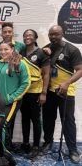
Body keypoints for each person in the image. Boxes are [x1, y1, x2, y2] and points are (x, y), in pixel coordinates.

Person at [41, 25, 82, 164]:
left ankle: (72, 150)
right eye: (51, 34)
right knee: (48, 118)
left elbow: (80, 70)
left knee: (68, 120)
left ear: (62, 34)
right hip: (50, 91)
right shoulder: (46, 48)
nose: (53, 37)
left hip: (66, 92)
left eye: (56, 34)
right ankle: (48, 143)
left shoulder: (72, 50)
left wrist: (67, 83)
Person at [0, 42, 31, 165]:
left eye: (6, 49)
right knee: (1, 126)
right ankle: (2, 149)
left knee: (2, 125)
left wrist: (12, 97)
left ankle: (5, 154)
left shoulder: (19, 63)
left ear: (12, 49)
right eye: (1, 50)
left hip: (11, 102)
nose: (3, 52)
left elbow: (26, 83)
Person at [14, 29, 50, 159]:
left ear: (35, 38)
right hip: (23, 91)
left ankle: (36, 146)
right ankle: (25, 144)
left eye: (30, 35)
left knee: (35, 119)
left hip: (36, 92)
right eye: (25, 35)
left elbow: (46, 74)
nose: (27, 37)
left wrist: (44, 93)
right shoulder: (21, 52)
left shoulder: (42, 53)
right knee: (24, 118)